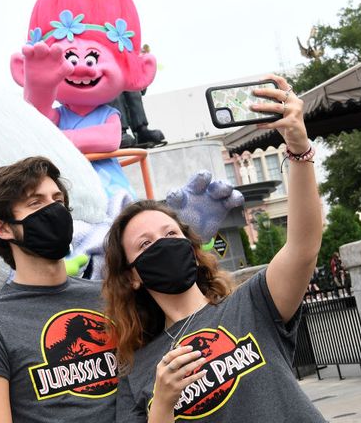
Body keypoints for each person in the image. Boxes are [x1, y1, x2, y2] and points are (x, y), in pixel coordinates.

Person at [103, 74, 326, 422]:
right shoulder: (138, 371)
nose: (162, 244)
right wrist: (161, 405)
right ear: (131, 276)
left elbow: (303, 246)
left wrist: (299, 149)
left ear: (192, 249)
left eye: (171, 234)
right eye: (146, 244)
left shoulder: (251, 305)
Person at [0, 156, 118, 423]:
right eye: (36, 203)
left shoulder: (107, 295)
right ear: (4, 228)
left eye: (58, 200)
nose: (54, 210)